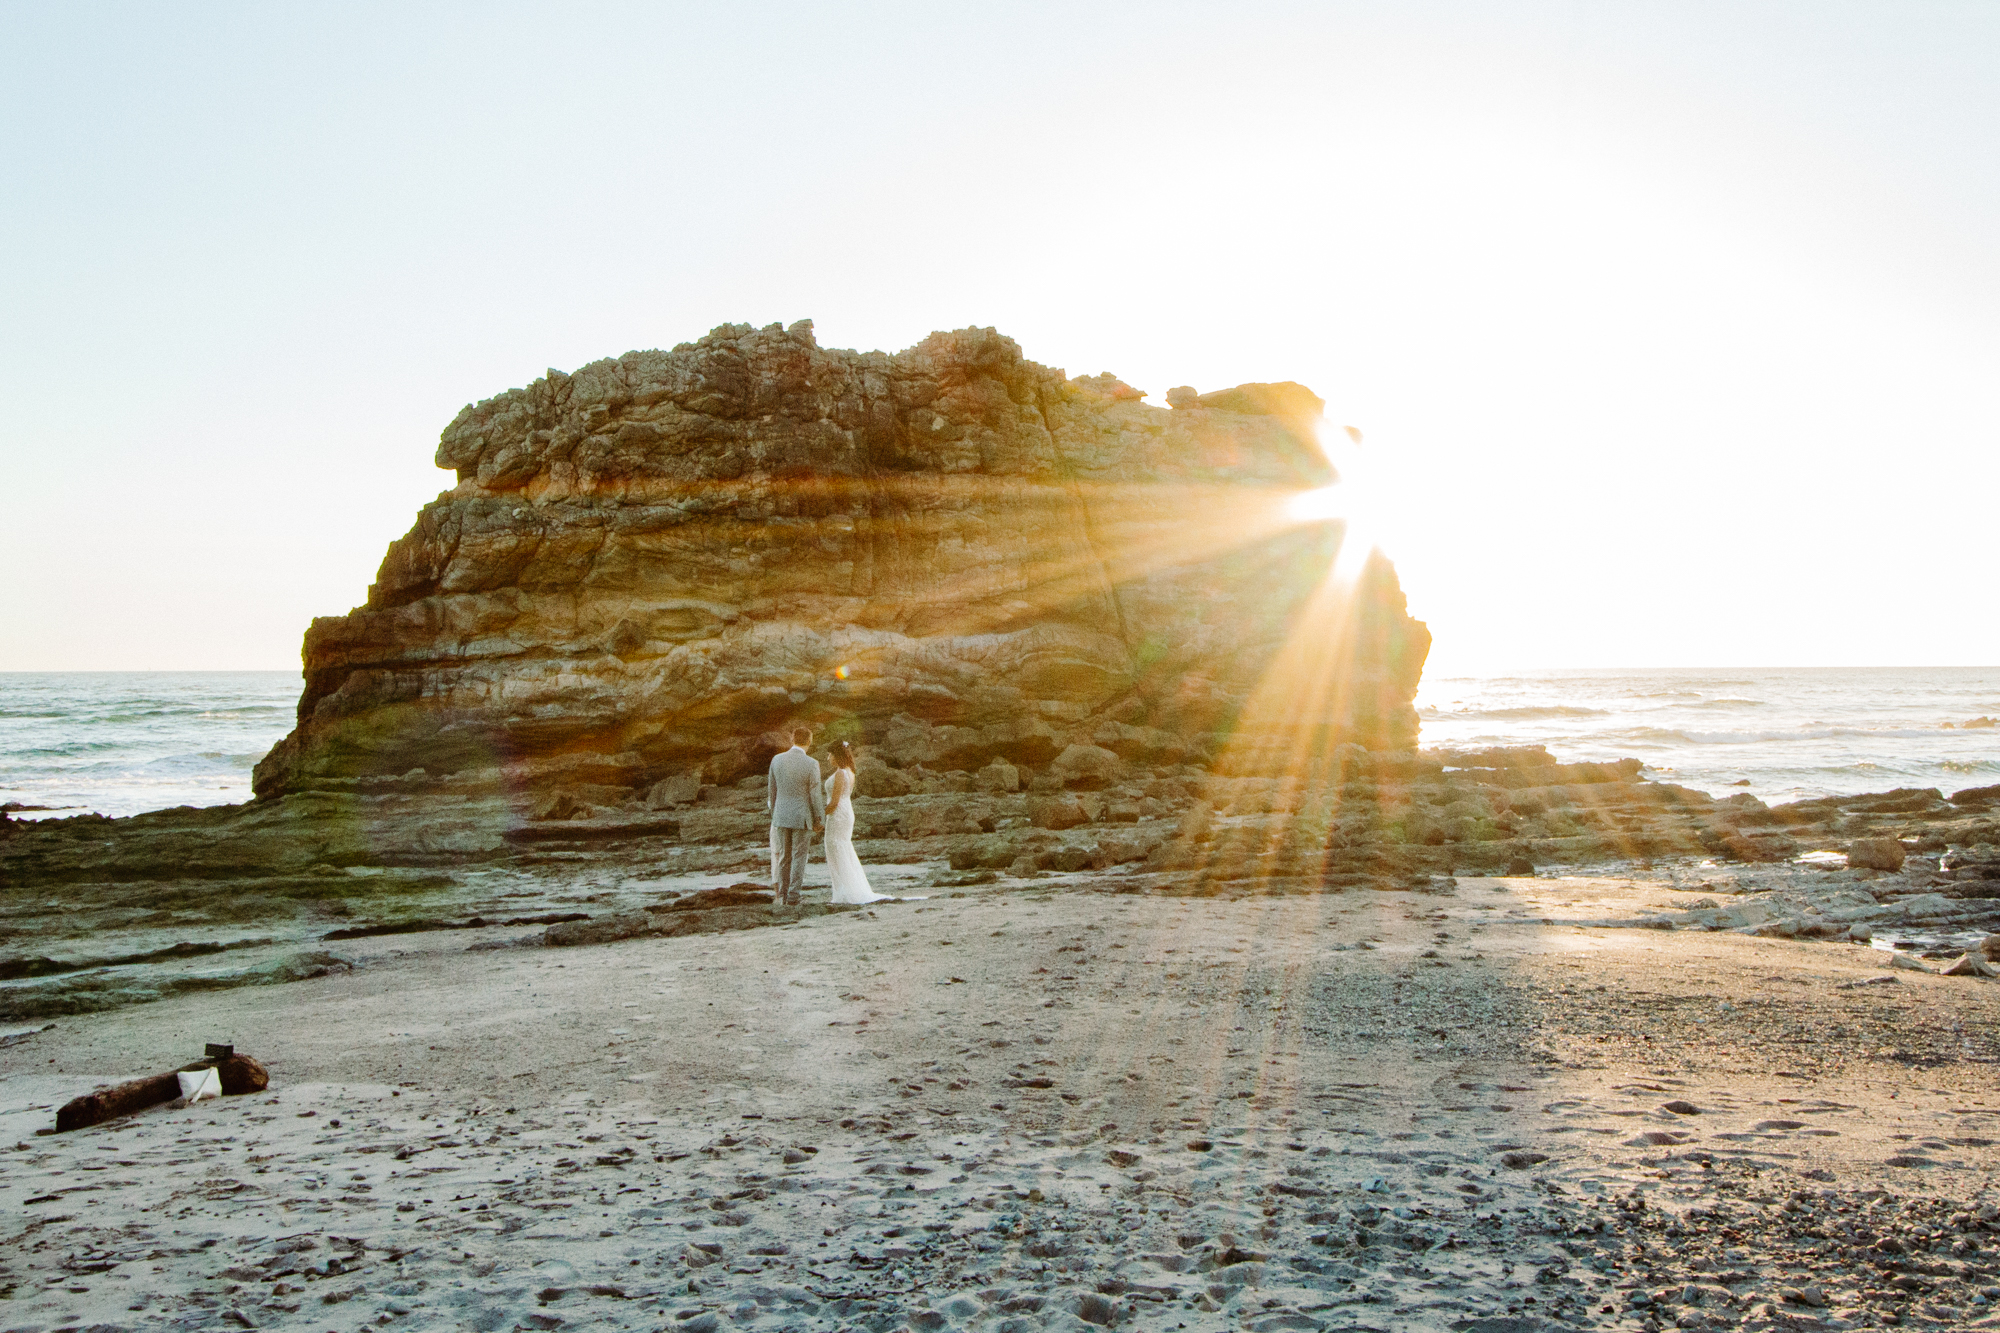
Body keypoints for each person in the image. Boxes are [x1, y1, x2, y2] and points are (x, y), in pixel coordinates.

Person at [822, 741, 894, 905]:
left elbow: (834, 803)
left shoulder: (841, 773)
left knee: (835, 848)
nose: (828, 758)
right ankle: (846, 890)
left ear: (836, 755)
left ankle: (845, 892)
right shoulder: (850, 772)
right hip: (846, 812)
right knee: (842, 848)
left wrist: (818, 815)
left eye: (830, 754)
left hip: (839, 814)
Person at [766, 726, 823, 907]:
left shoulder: (776, 760)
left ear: (792, 739)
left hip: (781, 815)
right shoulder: (812, 763)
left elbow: (771, 791)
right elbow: (815, 795)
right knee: (799, 856)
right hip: (801, 816)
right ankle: (793, 895)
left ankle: (782, 895)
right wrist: (819, 818)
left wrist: (774, 814)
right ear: (809, 741)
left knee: (784, 857)